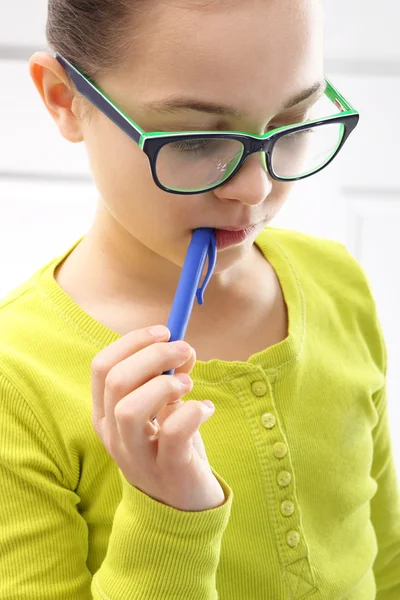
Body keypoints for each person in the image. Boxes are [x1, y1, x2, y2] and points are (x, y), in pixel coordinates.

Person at [0, 0, 399, 598]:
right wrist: (168, 516)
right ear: (64, 98)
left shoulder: (336, 281)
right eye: (197, 140)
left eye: (293, 120)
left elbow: (383, 551)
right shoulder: (16, 381)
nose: (256, 188)